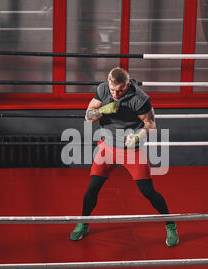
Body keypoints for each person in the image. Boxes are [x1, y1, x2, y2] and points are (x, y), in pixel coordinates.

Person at [69, 67, 179, 247]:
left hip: (132, 150)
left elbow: (150, 126)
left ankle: (171, 225)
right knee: (92, 188)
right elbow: (88, 116)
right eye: (113, 89)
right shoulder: (103, 89)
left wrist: (138, 136)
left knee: (148, 192)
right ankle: (83, 223)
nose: (116, 93)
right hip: (108, 148)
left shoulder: (140, 98)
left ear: (127, 85)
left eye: (120, 90)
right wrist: (103, 110)